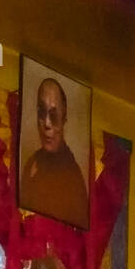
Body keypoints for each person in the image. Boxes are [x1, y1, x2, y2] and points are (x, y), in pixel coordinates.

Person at [19, 77, 89, 229]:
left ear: (64, 117)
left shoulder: (72, 177)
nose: (47, 124)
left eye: (54, 115)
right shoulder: (32, 164)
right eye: (41, 113)